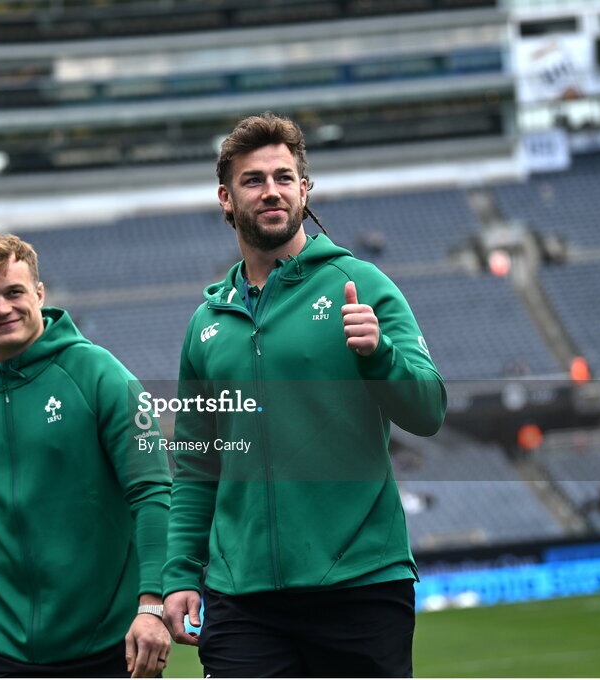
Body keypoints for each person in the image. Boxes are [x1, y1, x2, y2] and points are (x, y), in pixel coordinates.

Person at [161, 113, 447, 677]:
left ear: (303, 189)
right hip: (241, 599)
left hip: (360, 584)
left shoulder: (359, 283)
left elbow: (430, 410)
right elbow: (196, 469)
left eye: (284, 177)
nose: (271, 190)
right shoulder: (206, 322)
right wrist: (178, 575)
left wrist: (380, 354)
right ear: (226, 197)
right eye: (253, 180)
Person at [0, 233, 172, 678]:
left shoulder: (99, 374)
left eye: (14, 292)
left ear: (39, 294)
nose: (2, 308)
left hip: (104, 645)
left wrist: (152, 603)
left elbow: (152, 493)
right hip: (0, 650)